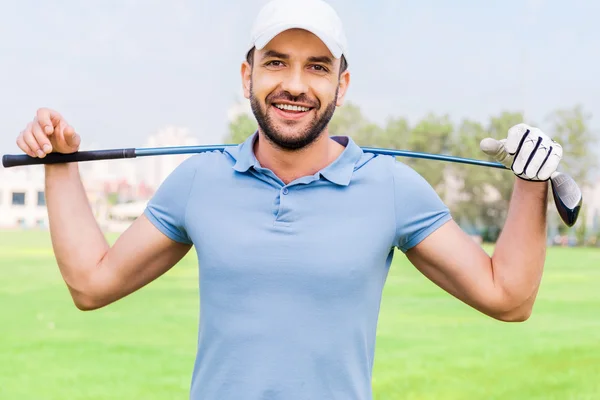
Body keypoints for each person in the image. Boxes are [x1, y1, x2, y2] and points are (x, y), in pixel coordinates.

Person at [15, 0, 563, 399]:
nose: (295, 85)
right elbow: (92, 284)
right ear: (247, 74)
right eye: (276, 62)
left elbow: (508, 298)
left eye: (317, 67)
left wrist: (529, 184)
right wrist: (60, 164)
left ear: (342, 85)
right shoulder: (199, 181)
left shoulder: (391, 187)